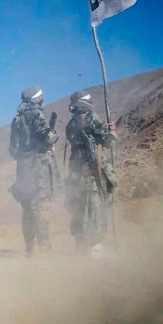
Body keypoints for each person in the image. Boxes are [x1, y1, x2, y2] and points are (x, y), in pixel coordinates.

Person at [8, 87, 61, 255]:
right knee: (41, 208)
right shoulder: (36, 115)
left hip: (23, 170)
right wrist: (53, 136)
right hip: (39, 169)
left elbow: (13, 149)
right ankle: (46, 251)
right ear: (39, 100)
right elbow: (47, 137)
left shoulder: (17, 120)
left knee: (29, 209)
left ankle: (29, 250)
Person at [64, 90, 117, 256]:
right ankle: (95, 247)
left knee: (81, 209)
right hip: (94, 172)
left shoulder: (71, 124)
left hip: (78, 174)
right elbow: (107, 142)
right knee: (96, 208)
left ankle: (81, 247)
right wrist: (113, 133)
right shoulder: (91, 118)